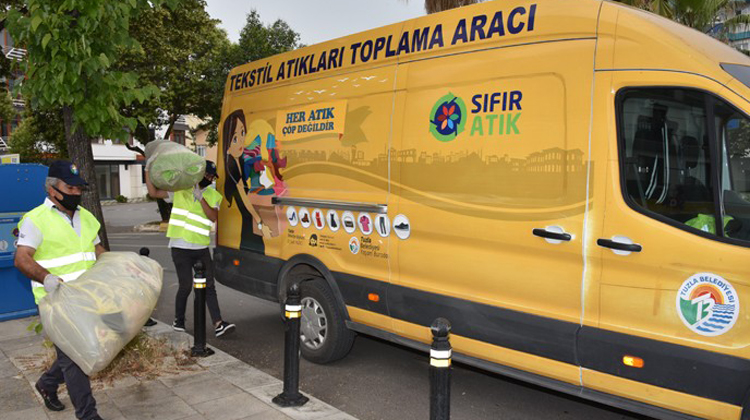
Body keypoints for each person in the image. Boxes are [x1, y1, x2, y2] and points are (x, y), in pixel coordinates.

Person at [14, 161, 106, 420]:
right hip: (55, 301)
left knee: (81, 350)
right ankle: (88, 415)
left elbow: (99, 251)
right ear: (52, 189)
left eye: (79, 188)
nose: (76, 193)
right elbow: (22, 258)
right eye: (70, 188)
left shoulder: (86, 217)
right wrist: (47, 278)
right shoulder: (35, 220)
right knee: (74, 359)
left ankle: (48, 382)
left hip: (86, 298)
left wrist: (117, 270)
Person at [146, 160, 235, 337]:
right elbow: (153, 192)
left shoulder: (213, 195)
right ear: (198, 174)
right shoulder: (180, 190)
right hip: (180, 247)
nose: (210, 178)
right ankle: (178, 321)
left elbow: (213, 216)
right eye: (207, 175)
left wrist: (201, 198)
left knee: (209, 286)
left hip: (201, 247)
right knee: (185, 285)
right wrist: (147, 170)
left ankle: (218, 324)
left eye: (212, 177)